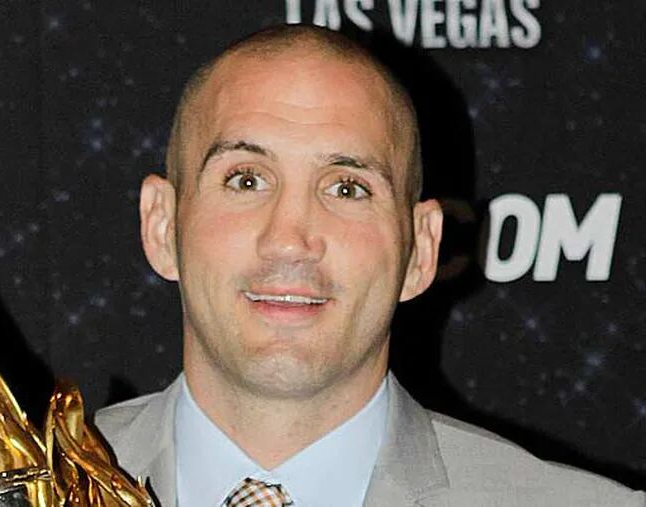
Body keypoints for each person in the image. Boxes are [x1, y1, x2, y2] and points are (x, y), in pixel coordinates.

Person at [95, 25, 644, 506]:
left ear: (421, 250)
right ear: (162, 225)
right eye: (246, 180)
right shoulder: (44, 482)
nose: (289, 240)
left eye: (347, 188)